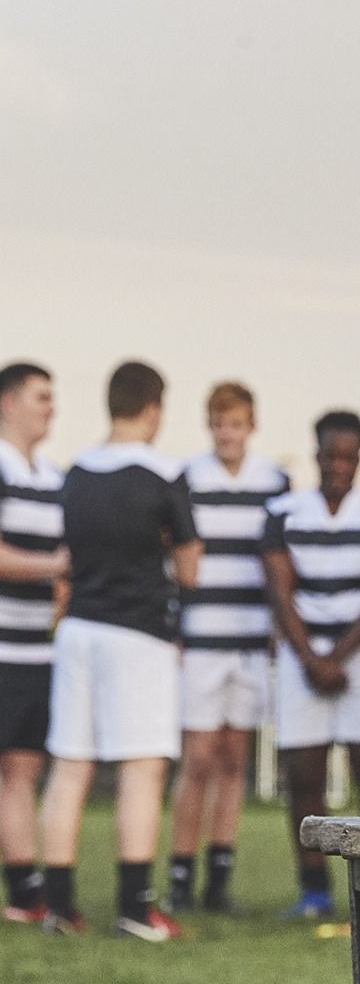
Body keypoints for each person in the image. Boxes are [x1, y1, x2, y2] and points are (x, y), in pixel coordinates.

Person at [41, 360, 201, 940]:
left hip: (79, 629)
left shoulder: (76, 472)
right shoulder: (163, 473)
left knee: (69, 769)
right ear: (154, 408)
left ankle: (59, 908)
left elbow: (68, 555)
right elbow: (191, 569)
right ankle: (136, 909)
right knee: (141, 770)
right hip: (137, 635)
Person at [260, 410, 360, 919]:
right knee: (303, 775)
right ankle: (314, 891)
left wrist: (335, 658)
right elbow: (280, 592)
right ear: (315, 454)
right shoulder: (283, 513)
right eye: (330, 455)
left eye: (349, 456)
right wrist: (310, 659)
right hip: (302, 655)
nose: (339, 465)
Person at [168, 381, 289, 912]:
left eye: (236, 424)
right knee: (197, 759)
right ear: (208, 426)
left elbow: (281, 565)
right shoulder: (187, 478)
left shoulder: (275, 482)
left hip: (250, 641)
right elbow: (171, 560)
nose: (227, 434)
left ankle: (219, 879)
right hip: (200, 641)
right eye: (219, 423)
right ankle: (179, 877)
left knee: (234, 760)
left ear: (251, 425)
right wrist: (174, 630)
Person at [0, 363, 67, 925]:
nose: (52, 407)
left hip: (33, 652)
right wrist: (57, 565)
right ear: (8, 402)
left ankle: (23, 894)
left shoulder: (52, 475)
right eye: (41, 397)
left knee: (21, 771)